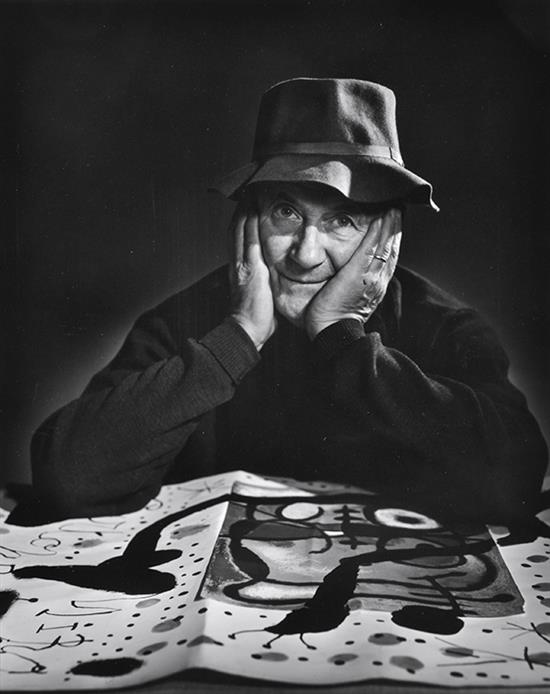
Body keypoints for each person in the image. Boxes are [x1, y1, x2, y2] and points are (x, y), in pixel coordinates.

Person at [24, 78, 547, 524]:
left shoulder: (444, 326)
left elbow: (517, 486)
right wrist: (237, 338)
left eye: (342, 220)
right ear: (249, 219)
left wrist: (342, 335)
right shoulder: (184, 320)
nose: (305, 254)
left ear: (386, 236)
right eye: (286, 213)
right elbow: (66, 479)